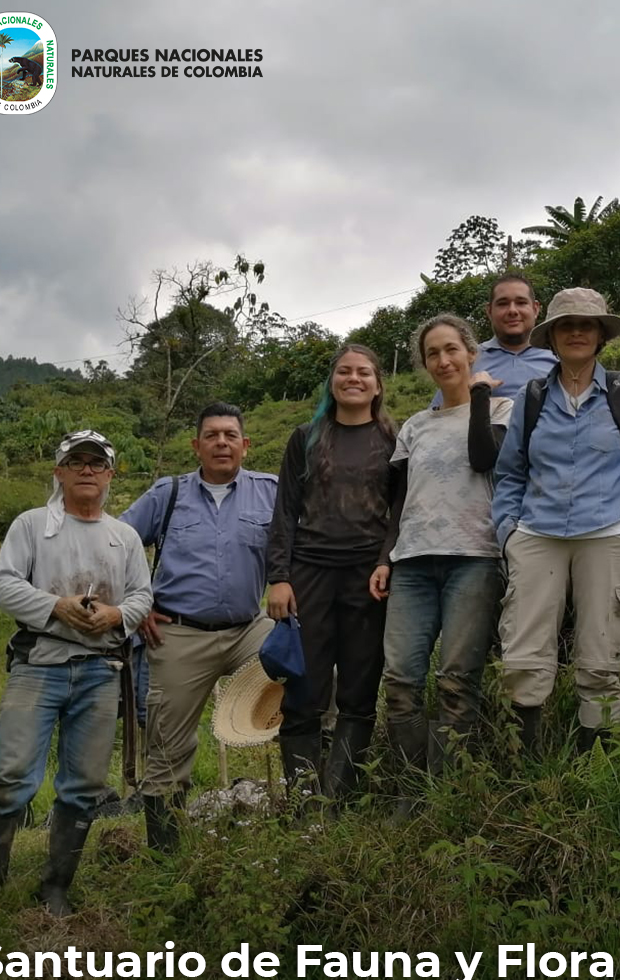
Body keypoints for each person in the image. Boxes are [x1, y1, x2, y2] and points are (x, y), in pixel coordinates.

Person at [0, 431, 152, 927]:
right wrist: (56, 606)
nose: (87, 470)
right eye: (75, 462)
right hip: (39, 664)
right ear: (58, 472)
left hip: (102, 670)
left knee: (84, 785)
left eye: (97, 464)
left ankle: (55, 886)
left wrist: (117, 615)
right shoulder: (34, 525)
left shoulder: (124, 537)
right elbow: (3, 585)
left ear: (110, 476)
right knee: (8, 776)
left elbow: (143, 596)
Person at [492, 289, 620, 753]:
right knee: (524, 651)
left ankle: (601, 762)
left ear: (600, 335)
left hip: (609, 534)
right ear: (550, 337)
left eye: (586, 325)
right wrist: (509, 531)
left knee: (602, 650)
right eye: (565, 325)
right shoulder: (530, 398)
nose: (576, 332)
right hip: (536, 534)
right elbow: (510, 472)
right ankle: (526, 763)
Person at [120, 402, 278, 851]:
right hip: (180, 632)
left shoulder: (271, 492)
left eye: (231, 435)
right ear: (196, 445)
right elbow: (116, 545)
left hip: (250, 628)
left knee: (310, 679)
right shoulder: (167, 494)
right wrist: (138, 606)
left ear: (245, 445)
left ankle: (308, 801)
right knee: (166, 740)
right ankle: (167, 855)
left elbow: (299, 548)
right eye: (212, 435)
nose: (222, 443)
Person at [371, 314, 512, 797]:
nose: (443, 360)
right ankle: (414, 790)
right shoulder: (414, 425)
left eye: (452, 349)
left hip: (474, 557)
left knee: (456, 680)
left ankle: (448, 795)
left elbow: (483, 458)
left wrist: (477, 395)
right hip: (412, 562)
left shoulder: (502, 408)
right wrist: (385, 557)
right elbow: (400, 501)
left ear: (471, 353)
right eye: (433, 353)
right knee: (401, 681)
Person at [265, 344, 396, 806]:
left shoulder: (393, 439)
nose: (353, 378)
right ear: (332, 381)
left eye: (364, 372)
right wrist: (279, 577)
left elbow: (399, 512)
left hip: (369, 579)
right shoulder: (307, 437)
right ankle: (305, 803)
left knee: (360, 690)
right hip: (310, 575)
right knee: (304, 691)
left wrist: (386, 560)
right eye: (344, 371)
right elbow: (284, 511)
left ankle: (338, 800)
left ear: (378, 384)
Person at [430, 274, 556, 406]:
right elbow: (440, 414)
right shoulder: (468, 359)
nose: (512, 311)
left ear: (535, 309)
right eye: (503, 304)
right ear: (489, 311)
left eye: (521, 303)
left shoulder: (559, 359)